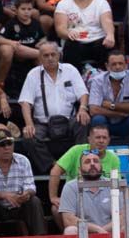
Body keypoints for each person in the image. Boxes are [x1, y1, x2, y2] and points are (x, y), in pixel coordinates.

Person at [17, 42, 87, 172]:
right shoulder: (33, 74)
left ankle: (80, 163)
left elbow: (83, 93)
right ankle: (52, 166)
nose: (50, 58)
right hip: (43, 123)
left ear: (59, 55)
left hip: (68, 120)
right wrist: (28, 123)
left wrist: (83, 109)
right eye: (46, 55)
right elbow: (25, 102)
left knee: (83, 123)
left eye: (53, 54)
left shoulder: (70, 70)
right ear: (40, 58)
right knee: (29, 137)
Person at [0, 131, 46, 236]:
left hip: (19, 204)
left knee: (34, 201)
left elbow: (30, 186)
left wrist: (26, 194)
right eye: (2, 144)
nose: (7, 148)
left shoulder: (23, 160)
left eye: (9, 143)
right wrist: (4, 195)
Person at [48, 121, 119, 221]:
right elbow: (55, 171)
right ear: (89, 139)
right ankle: (69, 234)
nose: (101, 141)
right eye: (98, 137)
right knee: (56, 208)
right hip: (76, 197)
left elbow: (116, 185)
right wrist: (53, 197)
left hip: (103, 200)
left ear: (109, 140)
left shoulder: (113, 158)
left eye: (104, 138)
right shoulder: (76, 150)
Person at [85, 50, 129, 156]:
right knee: (98, 119)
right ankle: (100, 156)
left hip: (126, 123)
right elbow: (94, 110)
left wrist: (111, 105)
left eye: (121, 64)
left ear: (126, 65)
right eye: (113, 64)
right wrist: (121, 113)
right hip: (107, 123)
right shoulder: (98, 80)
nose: (118, 67)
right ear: (107, 66)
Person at [54, 0, 115, 70]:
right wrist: (68, 33)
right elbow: (60, 28)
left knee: (106, 46)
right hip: (76, 40)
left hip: (97, 40)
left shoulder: (101, 2)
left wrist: (110, 34)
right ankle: (73, 80)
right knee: (71, 46)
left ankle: (104, 78)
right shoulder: (63, 4)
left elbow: (107, 20)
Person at [0, 0, 45, 92]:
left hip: (32, 52)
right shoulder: (11, 23)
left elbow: (43, 38)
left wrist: (41, 43)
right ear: (16, 9)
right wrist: (10, 42)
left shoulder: (35, 23)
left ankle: (43, 88)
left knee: (42, 58)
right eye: (23, 9)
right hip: (18, 52)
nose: (26, 12)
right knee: (18, 47)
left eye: (29, 9)